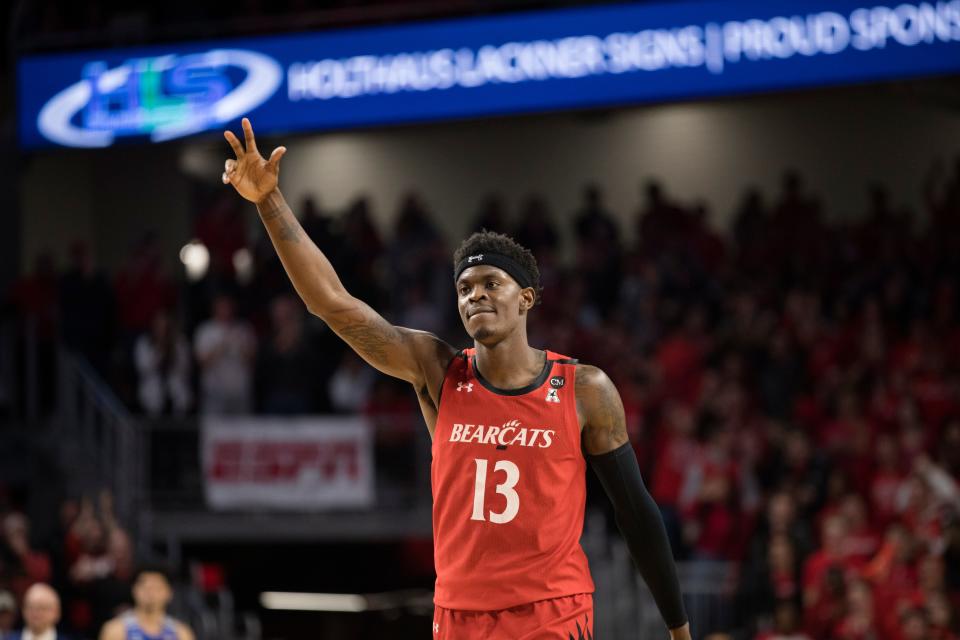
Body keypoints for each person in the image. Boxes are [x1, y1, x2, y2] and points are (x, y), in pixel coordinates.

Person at [222, 118, 691, 639]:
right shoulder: (438, 369)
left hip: (551, 613)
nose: (476, 295)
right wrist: (268, 201)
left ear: (527, 298)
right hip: (458, 615)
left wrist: (678, 627)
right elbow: (332, 304)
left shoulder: (585, 389)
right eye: (465, 287)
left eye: (492, 282)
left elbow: (635, 512)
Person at [99, 565, 193, 640]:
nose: (151, 593)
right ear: (134, 590)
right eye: (146, 588)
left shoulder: (181, 633)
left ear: (169, 593)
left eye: (157, 588)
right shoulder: (116, 630)